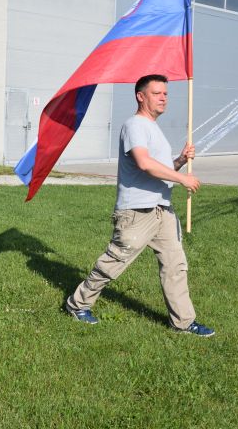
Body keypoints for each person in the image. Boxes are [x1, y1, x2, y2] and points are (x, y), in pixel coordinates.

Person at [64, 74, 215, 337]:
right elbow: (144, 163)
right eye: (157, 93)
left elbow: (159, 168)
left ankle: (182, 322)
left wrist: (179, 161)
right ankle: (77, 304)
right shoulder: (134, 125)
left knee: (175, 265)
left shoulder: (153, 128)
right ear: (140, 96)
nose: (163, 98)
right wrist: (182, 178)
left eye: (165, 94)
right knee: (114, 263)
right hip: (137, 212)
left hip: (161, 210)